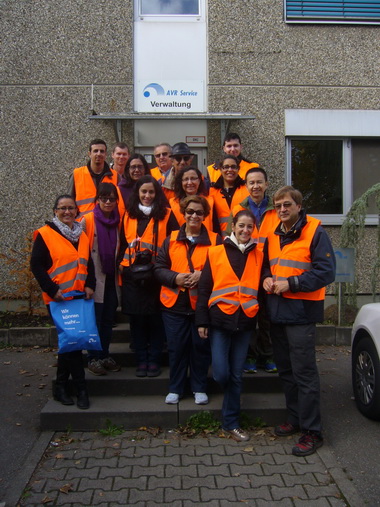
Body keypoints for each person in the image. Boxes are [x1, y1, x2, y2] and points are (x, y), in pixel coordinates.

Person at [262, 185, 336, 456]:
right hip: (277, 311)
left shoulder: (315, 231)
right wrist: (266, 278)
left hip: (302, 313)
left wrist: (291, 283)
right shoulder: (273, 233)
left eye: (287, 205)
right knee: (286, 371)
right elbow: (268, 266)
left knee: (304, 373)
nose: (282, 209)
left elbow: (326, 272)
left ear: (298, 207)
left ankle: (312, 432)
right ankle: (295, 419)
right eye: (278, 205)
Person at [196, 210, 263, 441]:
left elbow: (261, 289)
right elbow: (204, 289)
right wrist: (202, 321)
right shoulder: (215, 252)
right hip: (220, 321)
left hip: (245, 322)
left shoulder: (259, 254)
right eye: (241, 226)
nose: (245, 231)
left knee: (236, 375)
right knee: (221, 373)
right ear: (232, 226)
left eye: (249, 227)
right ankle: (233, 398)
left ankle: (230, 422)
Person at [155, 195, 222, 405]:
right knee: (176, 347)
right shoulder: (171, 239)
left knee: (200, 347)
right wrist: (175, 278)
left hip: (201, 307)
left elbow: (222, 270)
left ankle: (199, 387)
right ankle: (175, 388)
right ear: (183, 214)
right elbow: (158, 268)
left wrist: (203, 276)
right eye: (190, 211)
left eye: (199, 212)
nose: (194, 215)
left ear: (205, 216)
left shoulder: (215, 240)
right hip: (173, 305)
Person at [30, 195, 96, 410]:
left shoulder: (81, 234)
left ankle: (60, 387)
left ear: (77, 211)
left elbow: (89, 264)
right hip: (57, 299)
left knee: (70, 343)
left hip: (78, 299)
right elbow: (36, 266)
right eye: (62, 208)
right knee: (73, 343)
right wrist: (52, 289)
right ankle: (81, 389)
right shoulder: (45, 234)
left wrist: (90, 285)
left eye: (71, 208)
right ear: (55, 211)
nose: (67, 212)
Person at [119, 175, 178, 377]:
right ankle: (141, 360)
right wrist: (121, 268)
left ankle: (153, 360)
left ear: (157, 194)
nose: (147, 195)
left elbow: (175, 244)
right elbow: (122, 244)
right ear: (138, 193)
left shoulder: (167, 214)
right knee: (137, 321)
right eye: (143, 191)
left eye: (151, 192)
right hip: (132, 278)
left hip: (156, 276)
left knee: (155, 319)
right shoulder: (128, 215)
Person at [230, 167, 280, 374]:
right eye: (251, 183)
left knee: (267, 316)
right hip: (246, 267)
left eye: (259, 182)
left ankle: (267, 355)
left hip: (270, 269)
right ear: (246, 185)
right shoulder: (238, 208)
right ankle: (249, 355)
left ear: (266, 184)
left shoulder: (276, 209)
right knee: (248, 314)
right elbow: (232, 238)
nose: (255, 186)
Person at [81, 183, 121, 376]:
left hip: (112, 279)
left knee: (107, 320)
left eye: (111, 198)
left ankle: (104, 354)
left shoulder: (118, 221)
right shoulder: (87, 220)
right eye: (104, 198)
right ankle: (93, 357)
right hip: (93, 279)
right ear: (97, 200)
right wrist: (86, 282)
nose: (107, 202)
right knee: (94, 320)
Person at [68, 139, 119, 217]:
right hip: (82, 225)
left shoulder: (115, 176)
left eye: (102, 151)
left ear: (106, 154)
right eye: (95, 151)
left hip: (107, 224)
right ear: (89, 154)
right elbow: (69, 202)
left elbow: (119, 203)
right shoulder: (77, 174)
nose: (99, 154)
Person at [209, 154, 249, 237]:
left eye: (233, 167)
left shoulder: (247, 190)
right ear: (220, 169)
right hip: (219, 241)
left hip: (242, 240)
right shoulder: (211, 192)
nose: (230, 170)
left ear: (238, 169)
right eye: (226, 167)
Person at [170, 166, 217, 232]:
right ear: (181, 182)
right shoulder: (172, 203)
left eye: (193, 179)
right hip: (179, 241)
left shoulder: (210, 202)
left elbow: (216, 228)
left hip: (206, 241)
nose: (189, 183)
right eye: (186, 179)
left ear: (199, 180)